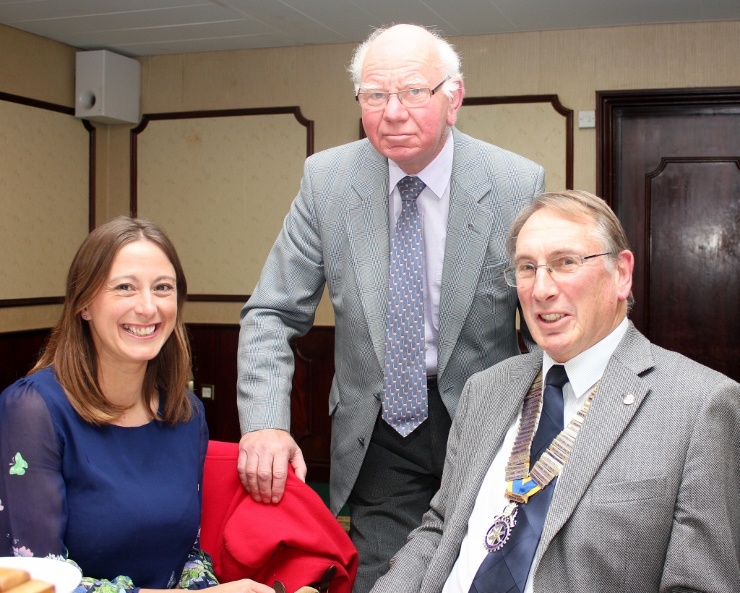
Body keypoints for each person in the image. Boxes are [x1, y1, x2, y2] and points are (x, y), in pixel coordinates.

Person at [236, 23, 545, 593]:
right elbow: (271, 314)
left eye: (413, 92)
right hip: (378, 427)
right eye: (375, 95)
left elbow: (547, 315)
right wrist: (264, 425)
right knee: (383, 577)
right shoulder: (327, 181)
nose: (393, 111)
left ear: (454, 98)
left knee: (482, 568)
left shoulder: (514, 183)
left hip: (484, 420)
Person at [370, 190, 740, 593]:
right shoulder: (486, 390)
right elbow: (441, 528)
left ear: (621, 274)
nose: (541, 289)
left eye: (565, 262)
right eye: (527, 267)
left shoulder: (701, 406)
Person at [0, 217, 273, 593]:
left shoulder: (187, 413)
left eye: (163, 288)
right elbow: (37, 580)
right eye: (125, 287)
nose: (148, 307)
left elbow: (187, 553)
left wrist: (209, 589)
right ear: (84, 304)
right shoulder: (32, 409)